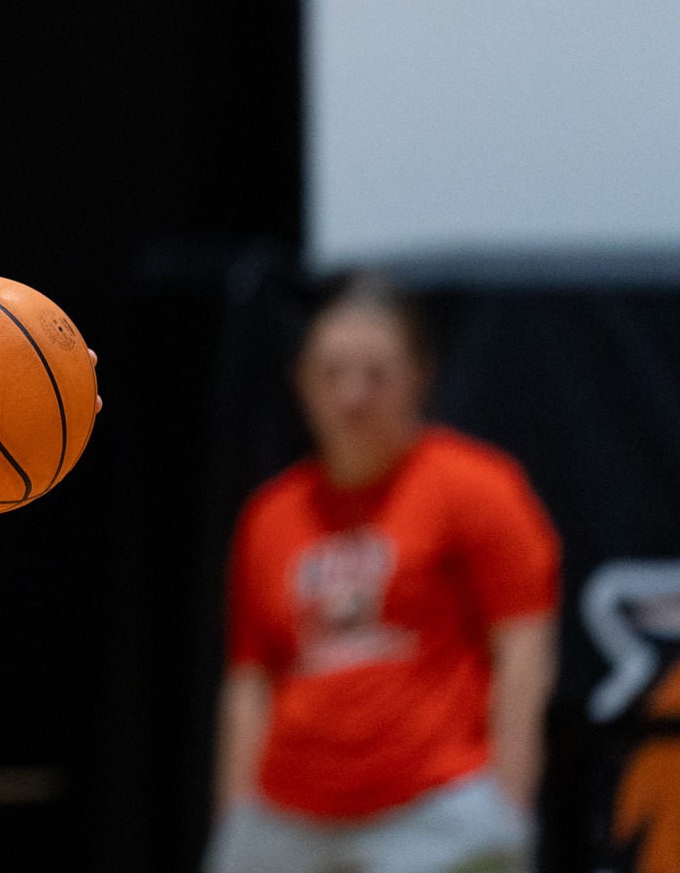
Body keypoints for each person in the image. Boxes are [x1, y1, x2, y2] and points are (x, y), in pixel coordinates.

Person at [207, 274, 561, 873]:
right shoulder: (269, 516)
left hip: (434, 812)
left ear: (420, 378)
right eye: (332, 372)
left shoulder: (477, 488)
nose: (352, 394)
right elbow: (249, 683)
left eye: (375, 374)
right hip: (287, 814)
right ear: (301, 382)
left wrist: (511, 808)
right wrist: (234, 820)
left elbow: (525, 652)